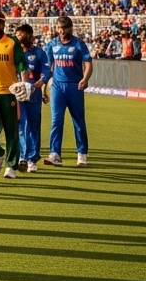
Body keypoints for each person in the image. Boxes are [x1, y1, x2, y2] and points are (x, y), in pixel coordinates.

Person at [0, 10, 29, 179]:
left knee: (11, 131)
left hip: (9, 93)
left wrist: (24, 82)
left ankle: (11, 166)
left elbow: (22, 63)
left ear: (4, 24)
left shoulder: (12, 42)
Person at [45, 14, 93, 166]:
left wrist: (85, 79)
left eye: (64, 28)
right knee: (56, 121)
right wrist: (43, 88)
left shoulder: (79, 44)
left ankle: (82, 153)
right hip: (58, 87)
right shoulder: (52, 44)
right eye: (59, 27)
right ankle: (55, 154)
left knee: (78, 121)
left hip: (74, 86)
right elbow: (48, 68)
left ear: (70, 28)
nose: (61, 31)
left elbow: (88, 64)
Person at [16, 23, 51, 173]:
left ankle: (33, 158)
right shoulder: (14, 53)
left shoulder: (38, 53)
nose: (19, 38)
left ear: (30, 36)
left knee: (33, 126)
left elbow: (47, 71)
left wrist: (41, 83)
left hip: (34, 93)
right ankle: (23, 156)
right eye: (17, 35)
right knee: (21, 125)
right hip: (17, 93)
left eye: (21, 35)